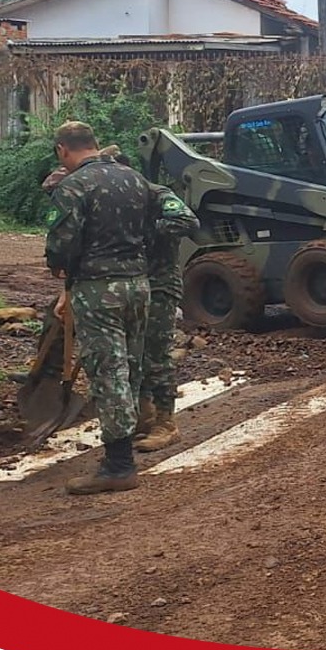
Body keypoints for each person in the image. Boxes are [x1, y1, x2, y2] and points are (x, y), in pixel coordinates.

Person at [45, 122, 153, 494]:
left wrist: (60, 268)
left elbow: (62, 244)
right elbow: (155, 227)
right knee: (131, 364)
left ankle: (119, 465)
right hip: (139, 285)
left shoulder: (73, 186)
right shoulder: (134, 178)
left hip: (98, 289)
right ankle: (132, 436)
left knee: (108, 371)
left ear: (63, 150)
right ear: (93, 144)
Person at [134, 173, 201, 451]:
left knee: (157, 353)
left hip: (160, 285)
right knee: (134, 352)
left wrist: (146, 228)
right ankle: (144, 414)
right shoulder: (121, 198)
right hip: (133, 284)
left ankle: (166, 423)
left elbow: (188, 221)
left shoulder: (156, 194)